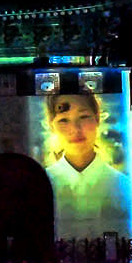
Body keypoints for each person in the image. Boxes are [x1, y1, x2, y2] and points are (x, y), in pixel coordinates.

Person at [44, 93, 124, 241]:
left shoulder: (124, 187)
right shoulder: (41, 187)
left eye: (83, 117)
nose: (75, 129)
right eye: (63, 120)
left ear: (97, 118)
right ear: (51, 126)